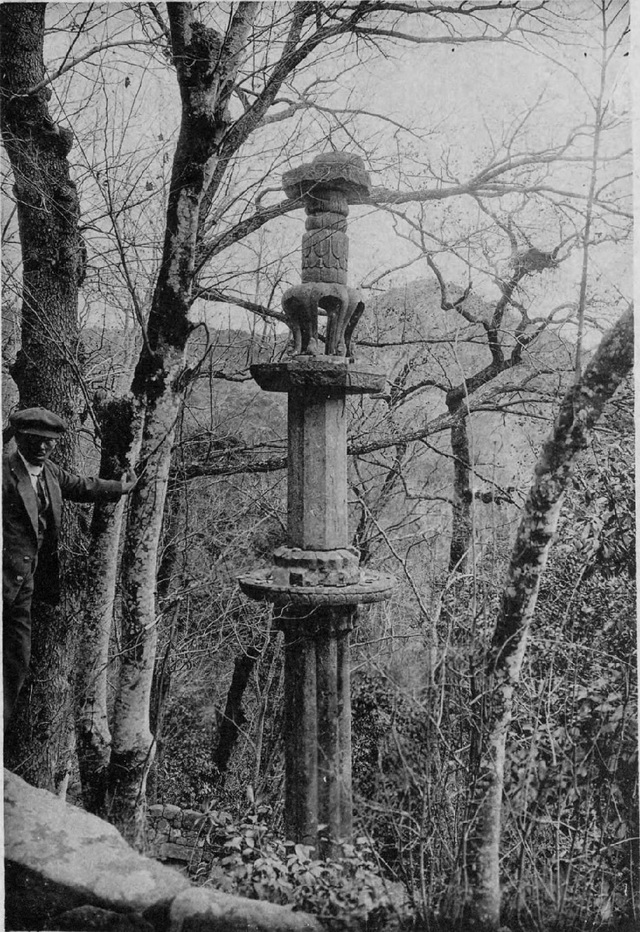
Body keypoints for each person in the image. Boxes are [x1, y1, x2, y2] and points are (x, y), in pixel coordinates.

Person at [3, 406, 137, 728]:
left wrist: (120, 488)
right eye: (35, 439)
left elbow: (82, 486)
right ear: (20, 438)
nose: (43, 447)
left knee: (16, 662)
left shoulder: (50, 473)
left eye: (49, 441)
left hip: (23, 588)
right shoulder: (3, 473)